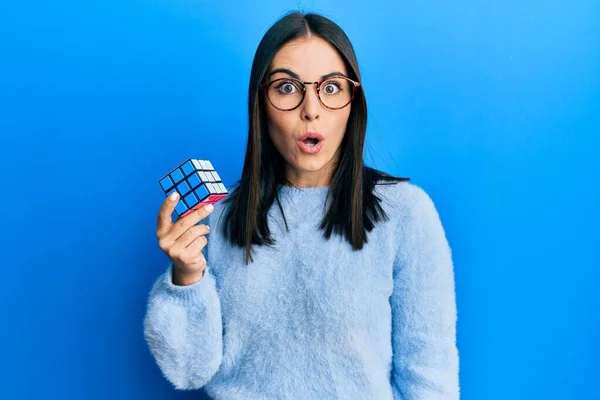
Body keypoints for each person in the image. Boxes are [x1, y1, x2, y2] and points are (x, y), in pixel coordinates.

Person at [144, 10, 460, 400]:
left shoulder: (406, 213)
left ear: (352, 101)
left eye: (330, 87)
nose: (310, 109)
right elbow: (189, 371)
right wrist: (186, 277)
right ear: (260, 102)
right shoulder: (220, 217)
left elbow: (430, 378)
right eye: (287, 88)